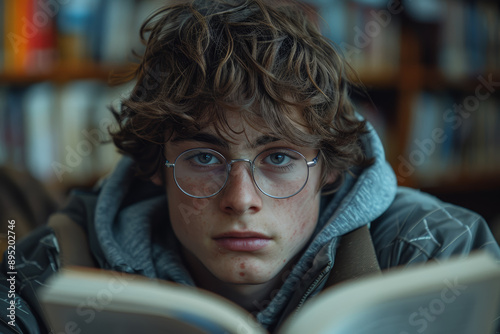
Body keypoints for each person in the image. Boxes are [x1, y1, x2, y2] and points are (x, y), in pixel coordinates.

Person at [1, 0, 500, 333]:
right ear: (155, 165)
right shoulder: (48, 264)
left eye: (279, 158)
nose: (241, 199)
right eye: (203, 157)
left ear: (330, 167)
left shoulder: (443, 254)